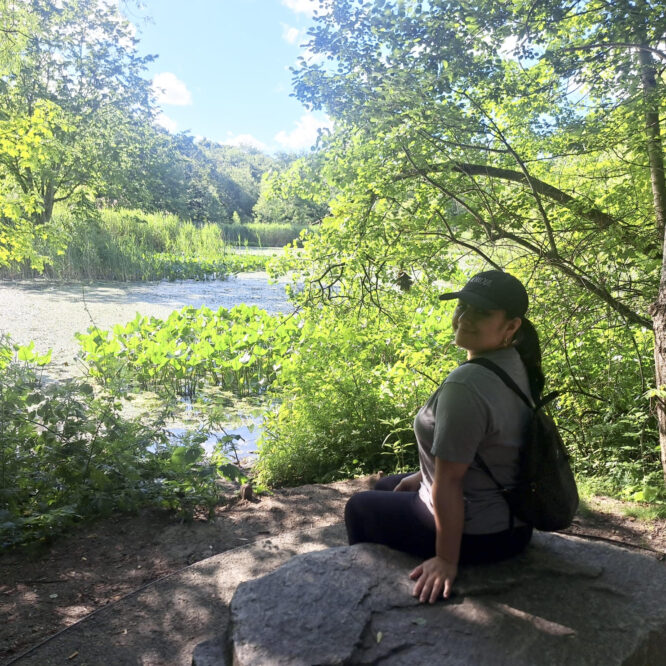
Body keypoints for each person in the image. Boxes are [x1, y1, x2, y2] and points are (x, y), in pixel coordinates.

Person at [344, 270, 543, 604]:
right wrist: (421, 477)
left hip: (482, 534)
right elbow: (483, 449)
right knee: (385, 486)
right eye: (462, 307)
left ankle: (371, 599)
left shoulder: (466, 386)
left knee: (359, 507)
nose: (464, 318)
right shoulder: (516, 364)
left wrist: (446, 560)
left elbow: (450, 482)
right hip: (514, 522)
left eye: (482, 312)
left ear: (511, 326)